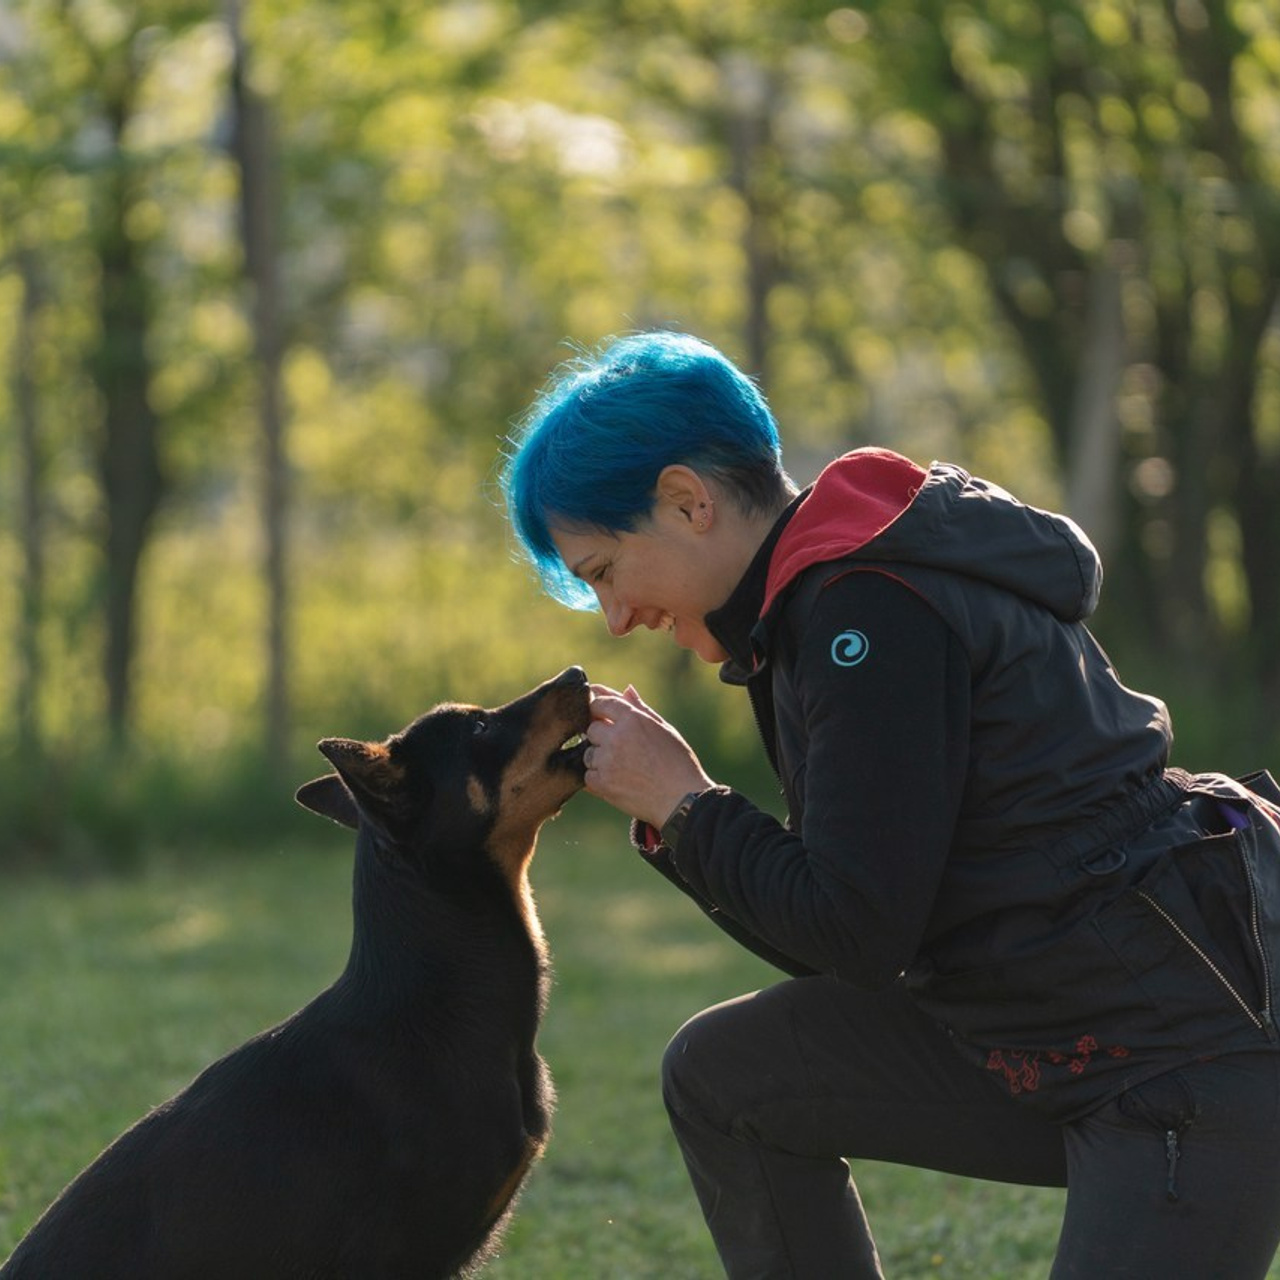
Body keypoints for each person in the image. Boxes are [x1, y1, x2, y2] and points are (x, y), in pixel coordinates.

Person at [498, 329, 1280, 1279]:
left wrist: (693, 805)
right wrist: (683, 816)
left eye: (603, 572)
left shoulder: (867, 612)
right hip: (1031, 1030)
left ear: (686, 501)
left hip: (1176, 1062)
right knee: (728, 1075)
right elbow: (847, 937)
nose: (617, 620)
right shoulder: (816, 606)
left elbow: (856, 931)